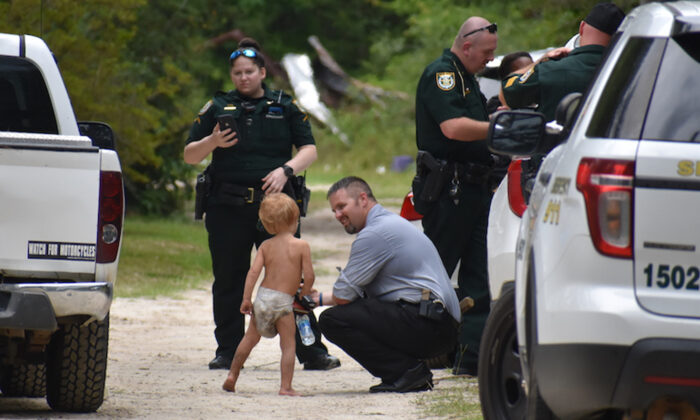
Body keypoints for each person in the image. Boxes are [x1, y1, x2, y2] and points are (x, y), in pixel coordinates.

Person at [184, 37, 339, 371]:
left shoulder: (285, 105)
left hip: (276, 208)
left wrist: (286, 171)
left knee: (291, 281)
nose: (243, 77)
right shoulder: (216, 107)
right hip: (227, 207)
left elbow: (309, 149)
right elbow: (189, 154)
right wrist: (211, 141)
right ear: (232, 75)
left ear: (262, 72)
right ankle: (227, 350)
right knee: (229, 279)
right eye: (237, 72)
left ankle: (311, 351)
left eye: (250, 71)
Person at [316, 176, 460, 393]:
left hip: (432, 325)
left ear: (363, 199)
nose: (337, 215)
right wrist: (314, 298)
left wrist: (314, 300)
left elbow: (343, 296)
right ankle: (408, 371)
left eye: (341, 206)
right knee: (358, 309)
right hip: (439, 323)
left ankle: (407, 373)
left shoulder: (375, 233)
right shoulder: (389, 223)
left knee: (332, 320)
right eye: (334, 210)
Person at [413, 16, 498, 376]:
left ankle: (471, 356)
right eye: (486, 53)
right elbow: (454, 127)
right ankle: (413, 352)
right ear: (466, 46)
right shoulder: (442, 75)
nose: (490, 60)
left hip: (477, 189)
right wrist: (499, 127)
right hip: (451, 191)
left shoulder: (468, 79)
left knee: (480, 276)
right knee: (435, 275)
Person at [222, 193, 313, 396]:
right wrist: (304, 295)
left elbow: (253, 273)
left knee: (248, 340)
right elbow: (309, 275)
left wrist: (246, 298)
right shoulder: (301, 246)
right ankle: (285, 387)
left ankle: (232, 375)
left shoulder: (265, 246)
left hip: (263, 298)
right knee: (288, 345)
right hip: (283, 302)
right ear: (294, 221)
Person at [501, 2, 625, 121]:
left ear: (581, 28)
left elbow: (509, 92)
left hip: (556, 143)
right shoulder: (627, 74)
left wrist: (539, 62)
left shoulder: (549, 70)